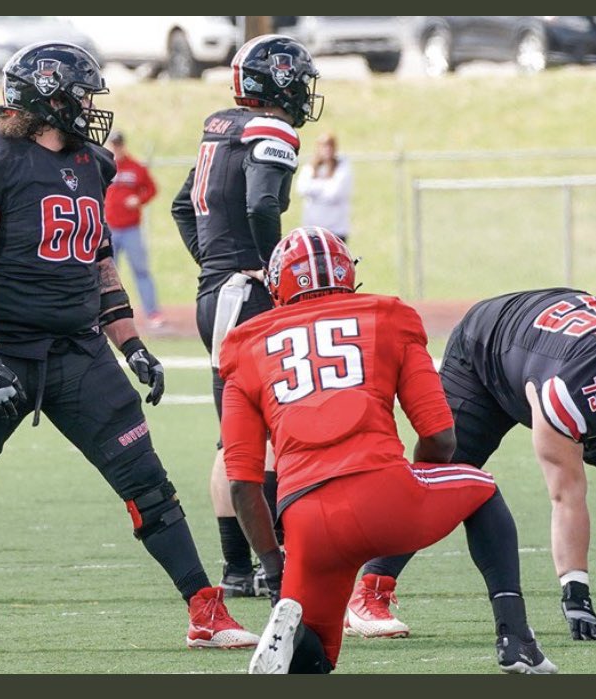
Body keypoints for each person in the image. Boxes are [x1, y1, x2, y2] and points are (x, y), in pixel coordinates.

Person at [0, 41, 260, 657]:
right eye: (82, 94)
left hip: (78, 351)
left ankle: (205, 610)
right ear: (48, 97)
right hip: (2, 349)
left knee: (147, 482)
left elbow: (97, 258)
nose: (91, 108)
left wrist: (130, 342)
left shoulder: (91, 162)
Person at [221, 227, 556, 674]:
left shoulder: (243, 345)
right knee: (480, 488)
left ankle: (300, 642)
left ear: (278, 284)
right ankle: (517, 639)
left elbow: (242, 484)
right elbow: (441, 436)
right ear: (346, 273)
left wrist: (273, 565)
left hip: (305, 520)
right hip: (385, 492)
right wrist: (416, 488)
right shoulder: (388, 316)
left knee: (318, 657)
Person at [353, 288, 596, 643]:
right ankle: (370, 589)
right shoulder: (567, 395)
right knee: (443, 473)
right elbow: (566, 496)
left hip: (545, 341)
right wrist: (576, 591)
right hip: (487, 348)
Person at [170, 34, 323, 598]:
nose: (305, 92)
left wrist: (215, 264)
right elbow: (261, 204)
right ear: (279, 82)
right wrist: (268, 267)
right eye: (300, 80)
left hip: (219, 292)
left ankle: (240, 570)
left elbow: (183, 205)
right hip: (248, 295)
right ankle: (271, 563)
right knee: (274, 433)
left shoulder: (220, 130)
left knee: (232, 436)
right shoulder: (271, 130)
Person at [105, 130, 163, 328]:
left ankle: (152, 313)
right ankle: (105, 315)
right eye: (113, 144)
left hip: (131, 229)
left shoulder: (135, 167)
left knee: (141, 270)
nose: (116, 148)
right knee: (106, 274)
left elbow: (152, 189)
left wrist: (139, 199)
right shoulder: (104, 165)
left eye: (119, 144)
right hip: (109, 229)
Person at [295, 132, 353, 242]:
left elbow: (334, 193)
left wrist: (314, 188)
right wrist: (325, 185)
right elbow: (302, 188)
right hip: (312, 230)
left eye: (330, 146)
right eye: (323, 146)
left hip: (336, 230)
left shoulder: (342, 167)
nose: (326, 149)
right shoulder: (311, 167)